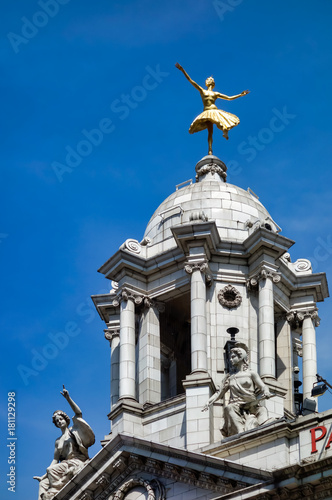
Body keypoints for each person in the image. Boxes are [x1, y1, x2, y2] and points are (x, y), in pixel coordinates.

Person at [34, 386, 95, 500]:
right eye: (57, 421)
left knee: (51, 471)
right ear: (56, 424)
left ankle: (54, 490)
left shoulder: (73, 431)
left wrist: (68, 398)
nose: (59, 421)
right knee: (43, 483)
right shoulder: (58, 441)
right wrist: (44, 476)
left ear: (65, 419)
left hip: (77, 461)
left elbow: (78, 413)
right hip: (65, 464)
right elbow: (55, 460)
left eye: (61, 419)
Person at [175, 63, 249, 155]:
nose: (209, 80)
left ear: (212, 83)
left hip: (214, 110)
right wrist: (182, 70)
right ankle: (210, 149)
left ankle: (224, 130)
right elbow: (191, 80)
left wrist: (241, 94)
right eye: (208, 79)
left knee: (221, 120)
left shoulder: (216, 93)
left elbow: (229, 98)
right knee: (210, 133)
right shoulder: (202, 91)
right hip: (206, 112)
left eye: (211, 79)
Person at [202, 346, 272, 437]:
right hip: (236, 406)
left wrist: (266, 391)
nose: (230, 360)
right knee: (229, 408)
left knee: (262, 410)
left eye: (233, 357)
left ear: (241, 357)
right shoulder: (230, 377)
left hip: (252, 405)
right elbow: (219, 393)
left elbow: (263, 386)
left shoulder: (251, 373)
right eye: (230, 357)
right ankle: (240, 431)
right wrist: (208, 401)